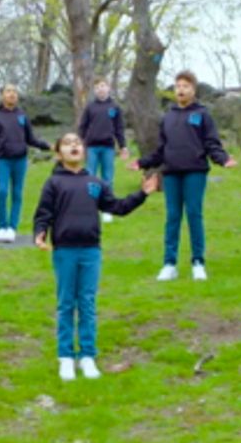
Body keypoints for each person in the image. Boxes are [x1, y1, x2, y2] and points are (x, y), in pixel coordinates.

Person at [34, 132, 159, 381]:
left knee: (88, 303)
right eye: (67, 143)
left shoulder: (96, 182)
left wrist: (142, 195)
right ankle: (66, 356)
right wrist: (40, 233)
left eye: (77, 143)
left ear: (84, 151)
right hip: (65, 251)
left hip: (91, 250)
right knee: (66, 302)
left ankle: (88, 356)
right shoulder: (53, 183)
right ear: (59, 153)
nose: (73, 147)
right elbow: (43, 213)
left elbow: (117, 207)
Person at [130, 70, 237, 281]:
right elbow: (161, 149)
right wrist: (142, 162)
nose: (181, 89)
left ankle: (198, 262)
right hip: (171, 173)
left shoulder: (203, 115)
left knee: (194, 215)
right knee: (172, 217)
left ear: (193, 90)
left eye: (185, 86)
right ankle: (170, 264)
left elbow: (211, 143)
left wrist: (223, 159)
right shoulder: (168, 117)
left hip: (195, 172)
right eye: (178, 86)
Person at [0, 84, 50, 242]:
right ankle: (1, 226)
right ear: (2, 96)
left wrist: (47, 146)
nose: (12, 94)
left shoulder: (22, 116)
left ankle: (12, 227)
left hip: (20, 160)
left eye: (14, 91)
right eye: (8, 91)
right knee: (2, 191)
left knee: (17, 193)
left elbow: (31, 139)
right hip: (4, 160)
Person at [77, 78, 130, 222]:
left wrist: (123, 146)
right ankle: (89, 207)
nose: (100, 89)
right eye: (98, 87)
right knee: (89, 177)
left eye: (103, 86)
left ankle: (107, 209)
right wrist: (79, 143)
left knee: (107, 179)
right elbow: (83, 126)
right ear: (95, 90)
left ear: (108, 88)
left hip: (108, 147)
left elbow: (119, 129)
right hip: (92, 147)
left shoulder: (114, 108)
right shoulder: (90, 107)